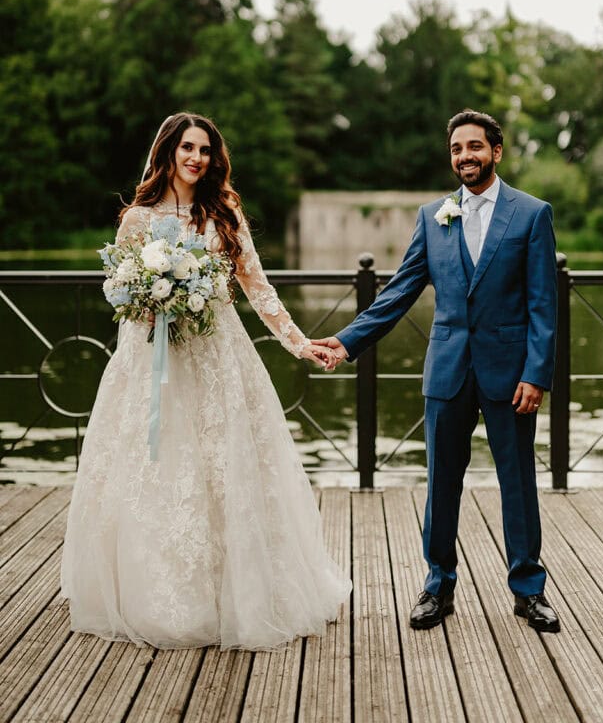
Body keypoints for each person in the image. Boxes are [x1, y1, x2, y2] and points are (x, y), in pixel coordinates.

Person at [61, 112, 350, 650]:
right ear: (167, 152)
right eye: (188, 148)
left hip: (218, 355)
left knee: (226, 468)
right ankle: (161, 593)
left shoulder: (224, 212)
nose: (197, 158)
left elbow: (258, 288)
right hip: (150, 361)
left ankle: (238, 591)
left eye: (206, 150)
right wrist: (153, 298)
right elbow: (121, 296)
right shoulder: (136, 220)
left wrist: (299, 343)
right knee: (158, 467)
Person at [317, 109, 560, 633]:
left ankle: (528, 589)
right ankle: (438, 584)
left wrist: (537, 374)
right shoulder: (434, 216)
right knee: (441, 482)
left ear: (496, 151)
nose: (464, 156)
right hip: (447, 369)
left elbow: (544, 304)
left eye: (475, 146)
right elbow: (399, 292)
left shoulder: (532, 214)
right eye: (456, 149)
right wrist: (345, 340)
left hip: (511, 371)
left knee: (517, 482)